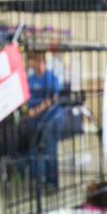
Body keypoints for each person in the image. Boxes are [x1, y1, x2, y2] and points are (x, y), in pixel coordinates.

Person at [19, 51, 65, 193]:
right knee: (35, 153)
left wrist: (36, 111)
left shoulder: (50, 78)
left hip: (50, 121)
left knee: (49, 152)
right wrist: (26, 111)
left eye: (31, 61)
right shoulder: (31, 79)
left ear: (39, 61)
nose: (30, 64)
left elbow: (53, 98)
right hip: (34, 123)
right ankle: (39, 182)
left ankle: (52, 184)